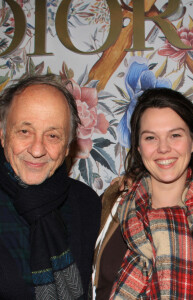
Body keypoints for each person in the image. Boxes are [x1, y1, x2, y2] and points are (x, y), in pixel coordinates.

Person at [91, 88, 193, 300]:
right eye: (150, 138)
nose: (163, 148)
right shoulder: (112, 202)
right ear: (138, 147)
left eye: (175, 135)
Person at [0, 75, 101, 300]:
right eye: (25, 131)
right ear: (3, 134)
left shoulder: (86, 204)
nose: (37, 150)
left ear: (67, 147)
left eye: (53, 136)